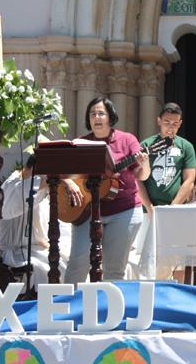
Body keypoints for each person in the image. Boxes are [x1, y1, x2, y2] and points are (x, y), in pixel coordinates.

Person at [63, 96, 150, 283]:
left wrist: (144, 163)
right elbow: (64, 171)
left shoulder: (127, 140)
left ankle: (109, 310)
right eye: (92, 114)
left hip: (124, 211)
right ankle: (67, 307)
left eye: (101, 113)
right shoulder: (81, 142)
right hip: (87, 210)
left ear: (110, 117)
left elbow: (141, 176)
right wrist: (70, 183)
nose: (96, 117)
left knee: (114, 269)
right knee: (78, 262)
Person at [135, 102, 196, 279]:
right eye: (167, 122)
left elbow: (189, 180)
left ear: (180, 124)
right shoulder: (146, 145)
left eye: (175, 123)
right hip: (150, 212)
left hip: (176, 212)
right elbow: (138, 179)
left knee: (177, 259)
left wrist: (173, 207)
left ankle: (178, 298)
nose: (171, 127)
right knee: (148, 260)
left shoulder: (186, 147)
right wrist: (148, 207)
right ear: (159, 121)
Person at [0, 154, 71, 286]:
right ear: (31, 169)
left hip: (38, 249)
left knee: (71, 260)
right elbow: (12, 206)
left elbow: (61, 225)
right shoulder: (12, 185)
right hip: (15, 252)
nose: (44, 179)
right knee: (48, 268)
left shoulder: (44, 191)